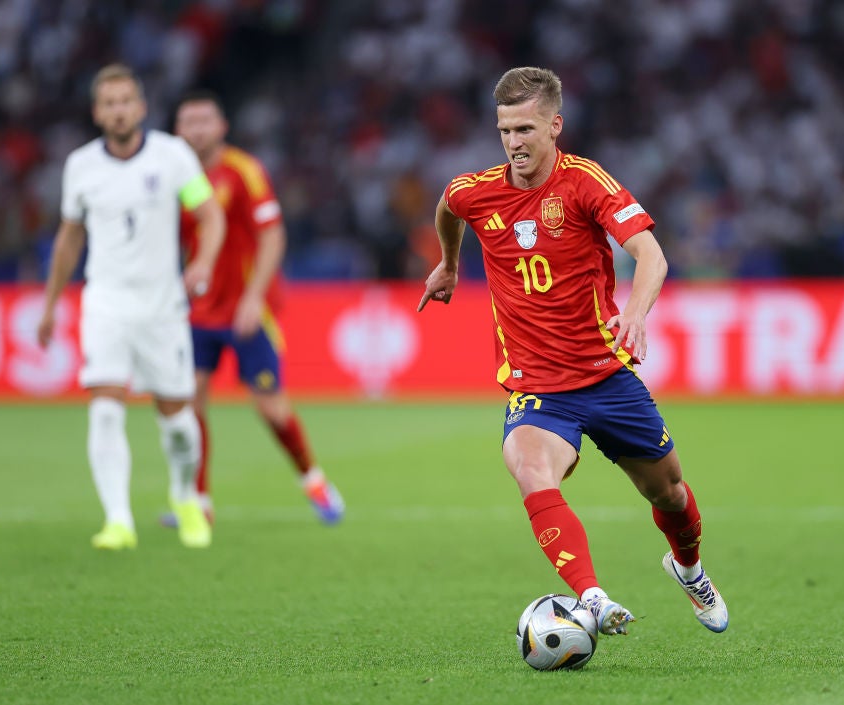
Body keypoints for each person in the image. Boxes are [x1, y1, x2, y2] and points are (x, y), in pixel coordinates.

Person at [418, 67, 728, 636]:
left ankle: (689, 570)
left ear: (554, 126)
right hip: (537, 385)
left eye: (525, 129)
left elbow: (652, 256)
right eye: (505, 130)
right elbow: (447, 205)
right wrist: (450, 263)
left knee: (669, 493)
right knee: (531, 470)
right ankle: (592, 598)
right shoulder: (476, 191)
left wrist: (635, 313)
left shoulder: (585, 183)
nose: (514, 142)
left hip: (605, 376)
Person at [36, 64, 226, 550]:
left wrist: (203, 261)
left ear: (141, 107)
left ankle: (184, 496)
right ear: (97, 113)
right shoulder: (81, 166)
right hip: (105, 302)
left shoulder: (172, 156)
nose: (118, 111)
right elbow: (69, 240)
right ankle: (118, 520)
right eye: (109, 103)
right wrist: (51, 304)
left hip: (162, 306)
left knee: (178, 421)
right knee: (104, 409)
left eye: (126, 101)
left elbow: (210, 215)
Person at [168, 90, 344, 526]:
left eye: (205, 120)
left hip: (245, 310)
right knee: (189, 404)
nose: (197, 130)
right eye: (189, 122)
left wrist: (253, 297)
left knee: (270, 408)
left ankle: (313, 480)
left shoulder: (243, 171)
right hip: (196, 312)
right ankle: (197, 502)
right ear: (177, 129)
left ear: (222, 126)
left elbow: (272, 235)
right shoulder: (172, 176)